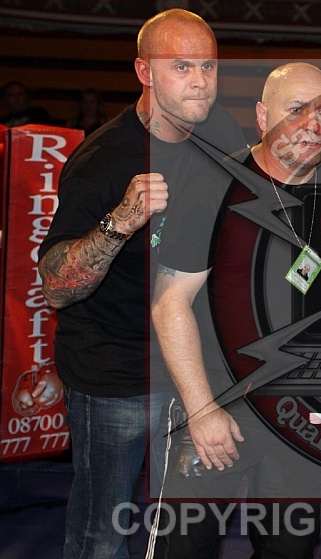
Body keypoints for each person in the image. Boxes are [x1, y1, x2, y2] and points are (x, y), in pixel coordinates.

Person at [37, 9, 246, 558]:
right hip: (117, 369)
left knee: (187, 527)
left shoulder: (221, 131)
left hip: (193, 363)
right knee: (102, 531)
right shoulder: (103, 160)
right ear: (145, 71)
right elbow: (55, 287)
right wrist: (120, 222)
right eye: (182, 66)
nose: (200, 81)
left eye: (207, 66)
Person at [151, 62, 321, 558]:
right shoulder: (215, 185)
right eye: (296, 110)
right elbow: (170, 304)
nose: (313, 125)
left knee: (290, 551)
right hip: (218, 406)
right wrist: (201, 410)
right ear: (262, 117)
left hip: (302, 419)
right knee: (185, 549)